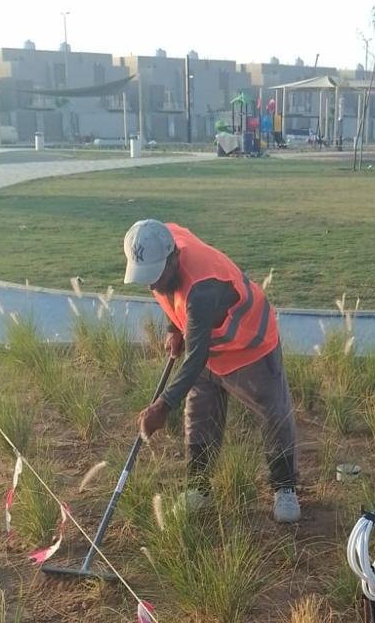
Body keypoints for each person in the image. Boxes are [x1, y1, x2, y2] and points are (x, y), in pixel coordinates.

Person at [123, 219, 300, 524]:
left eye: (155, 276)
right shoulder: (160, 239)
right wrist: (174, 327)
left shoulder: (203, 289)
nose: (151, 285)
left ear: (173, 257)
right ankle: (199, 488)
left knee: (273, 413)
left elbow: (195, 358)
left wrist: (163, 406)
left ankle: (284, 487)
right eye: (145, 277)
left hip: (249, 345)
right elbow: (171, 298)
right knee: (200, 416)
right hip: (206, 343)